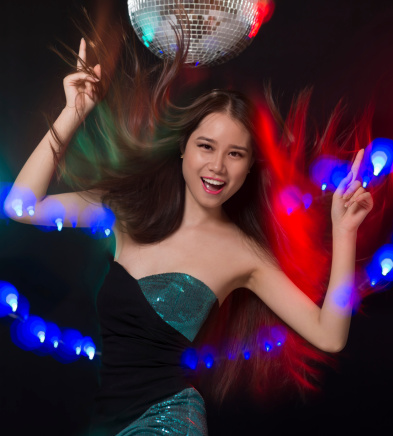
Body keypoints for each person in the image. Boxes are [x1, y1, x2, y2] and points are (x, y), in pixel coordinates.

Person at [4, 35, 373, 435]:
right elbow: (20, 207)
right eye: (206, 146)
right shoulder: (127, 211)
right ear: (183, 147)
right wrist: (74, 111)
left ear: (250, 166)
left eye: (235, 154)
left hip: (170, 420)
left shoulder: (243, 253)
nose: (217, 167)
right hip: (105, 421)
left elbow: (329, 334)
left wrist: (345, 230)